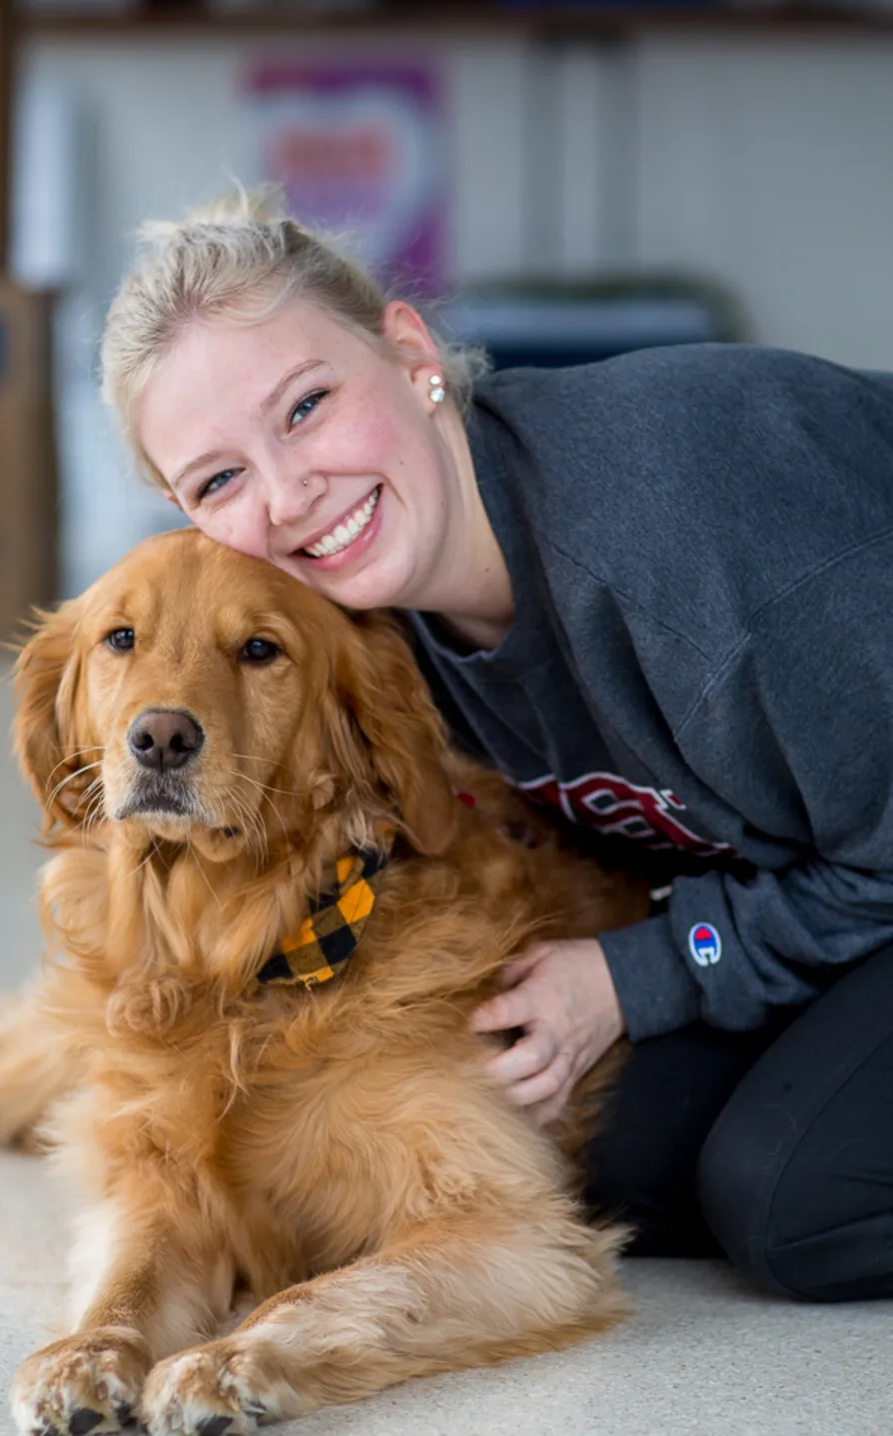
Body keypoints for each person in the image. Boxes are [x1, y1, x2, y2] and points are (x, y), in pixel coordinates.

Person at [100, 189, 893, 1302]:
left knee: (794, 1197)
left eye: (307, 406)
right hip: (842, 857)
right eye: (218, 479)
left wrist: (650, 969)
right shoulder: (377, 622)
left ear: (411, 354)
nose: (285, 495)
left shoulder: (682, 546)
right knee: (602, 1141)